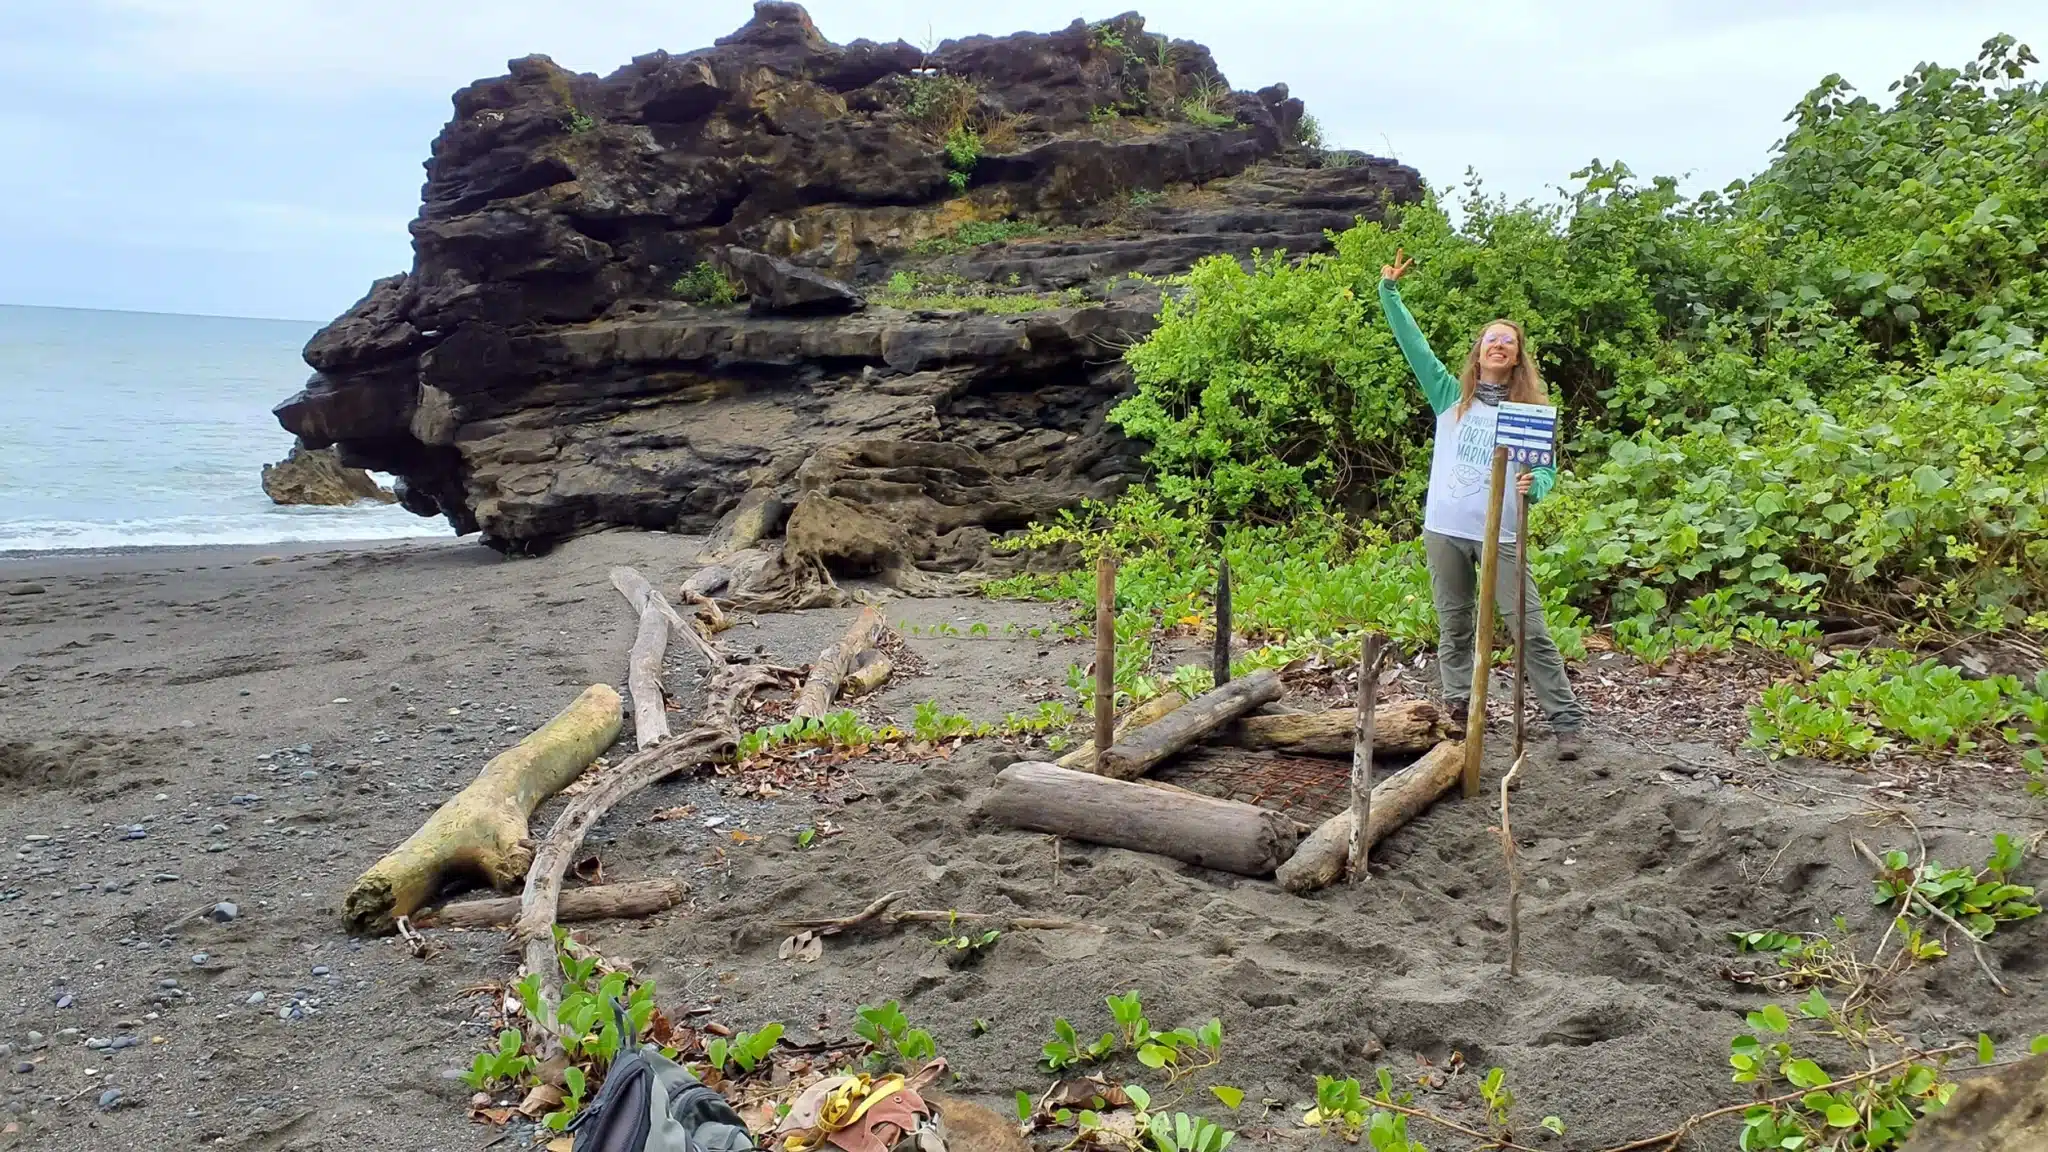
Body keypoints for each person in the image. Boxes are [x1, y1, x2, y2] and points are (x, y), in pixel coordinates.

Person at [1379, 248, 1587, 760]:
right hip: (1446, 528)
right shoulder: (1450, 396)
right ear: (1478, 352)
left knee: (1528, 629)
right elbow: (1415, 346)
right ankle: (1456, 708)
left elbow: (1544, 471)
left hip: (1504, 534)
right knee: (1454, 624)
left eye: (1508, 342)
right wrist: (1390, 292)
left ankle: (1565, 721)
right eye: (1491, 339)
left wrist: (1534, 486)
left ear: (1517, 357)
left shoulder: (1529, 411)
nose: (1498, 346)